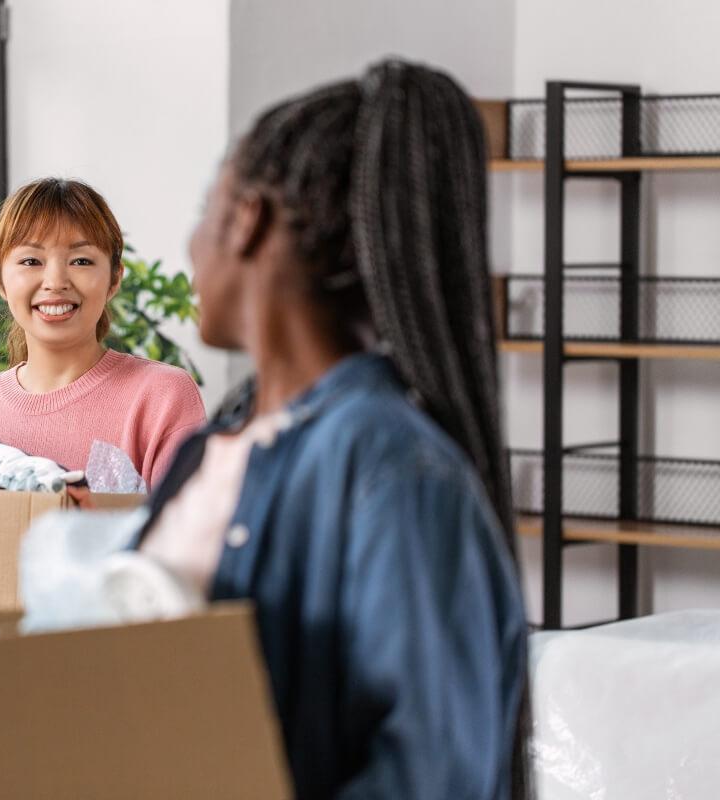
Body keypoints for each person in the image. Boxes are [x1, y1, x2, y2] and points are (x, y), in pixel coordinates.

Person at [136, 61, 530, 798]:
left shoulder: (395, 467)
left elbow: (433, 776)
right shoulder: (208, 447)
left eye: (204, 208)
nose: (190, 247)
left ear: (246, 219)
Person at [0, 178, 206, 490]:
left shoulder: (162, 398)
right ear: (0, 281)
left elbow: (190, 533)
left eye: (81, 260)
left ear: (113, 279)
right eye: (31, 261)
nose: (55, 281)